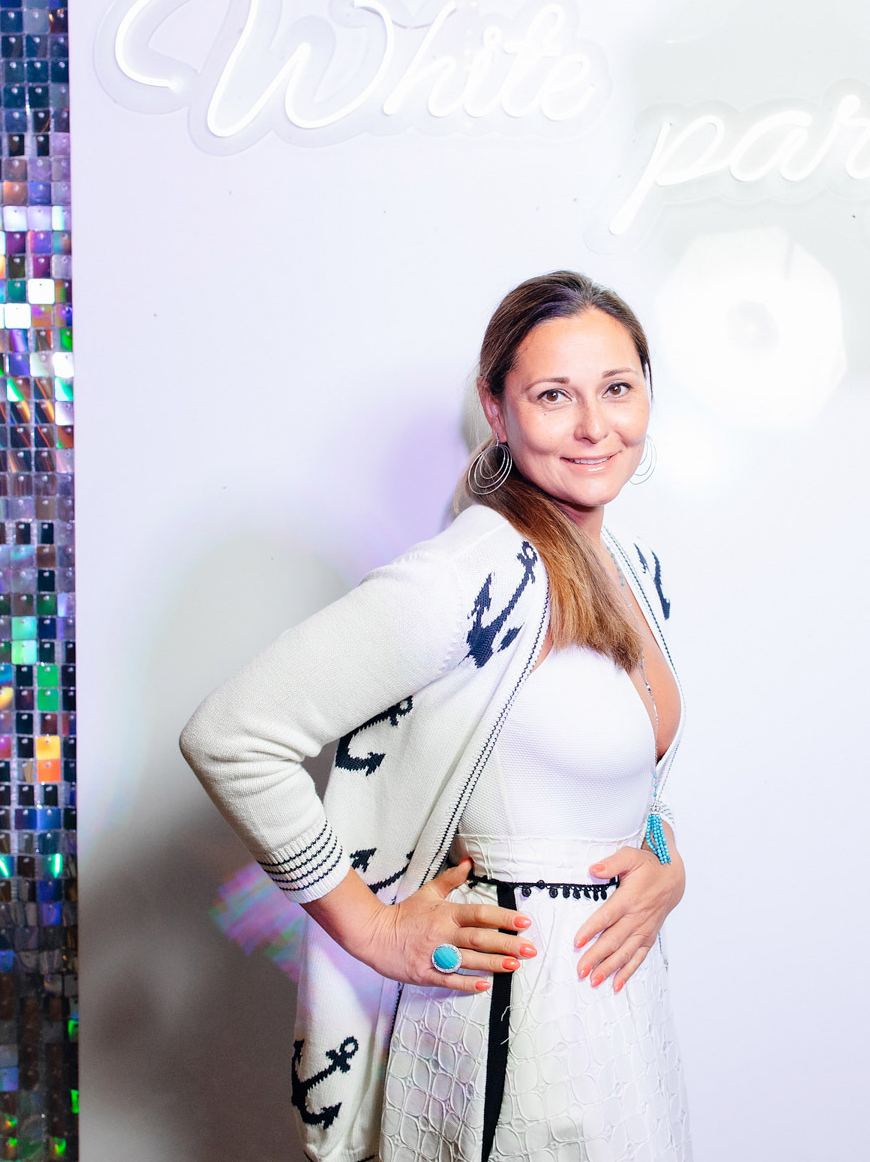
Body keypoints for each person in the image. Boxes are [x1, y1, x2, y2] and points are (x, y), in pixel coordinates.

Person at [178, 270, 691, 1162]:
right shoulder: (469, 575)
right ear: (496, 409)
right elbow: (232, 736)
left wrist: (663, 857)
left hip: (621, 1020)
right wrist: (373, 928)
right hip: (513, 1028)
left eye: (617, 388)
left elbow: (593, 780)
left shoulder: (636, 571)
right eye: (553, 395)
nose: (593, 425)